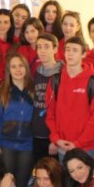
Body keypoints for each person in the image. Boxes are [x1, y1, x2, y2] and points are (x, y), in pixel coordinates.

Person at [46, 37, 94, 160]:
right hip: (62, 145)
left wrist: (79, 143)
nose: (70, 53)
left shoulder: (93, 82)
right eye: (68, 49)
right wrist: (56, 139)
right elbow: (50, 113)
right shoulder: (55, 80)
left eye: (75, 50)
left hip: (86, 148)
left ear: (84, 54)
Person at [0, 54, 35, 187]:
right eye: (13, 67)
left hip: (27, 145)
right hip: (6, 144)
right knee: (7, 183)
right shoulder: (2, 92)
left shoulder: (33, 91)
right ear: (9, 70)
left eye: (21, 66)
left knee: (22, 183)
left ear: (26, 68)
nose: (18, 70)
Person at [31, 33, 62, 162]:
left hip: (54, 136)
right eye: (39, 47)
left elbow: (64, 110)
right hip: (37, 133)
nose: (42, 50)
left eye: (46, 46)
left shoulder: (63, 73)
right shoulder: (35, 72)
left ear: (55, 49)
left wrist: (55, 139)